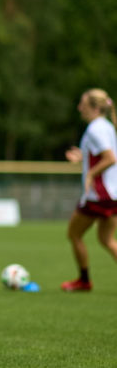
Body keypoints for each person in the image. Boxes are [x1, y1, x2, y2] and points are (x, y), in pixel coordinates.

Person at [61, 89, 117, 291]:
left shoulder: (95, 129)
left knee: (74, 234)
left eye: (82, 104)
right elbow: (102, 156)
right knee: (107, 240)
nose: (79, 108)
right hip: (112, 194)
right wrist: (82, 157)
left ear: (94, 108)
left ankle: (84, 281)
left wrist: (91, 174)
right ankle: (83, 280)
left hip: (98, 195)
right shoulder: (106, 126)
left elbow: (110, 158)